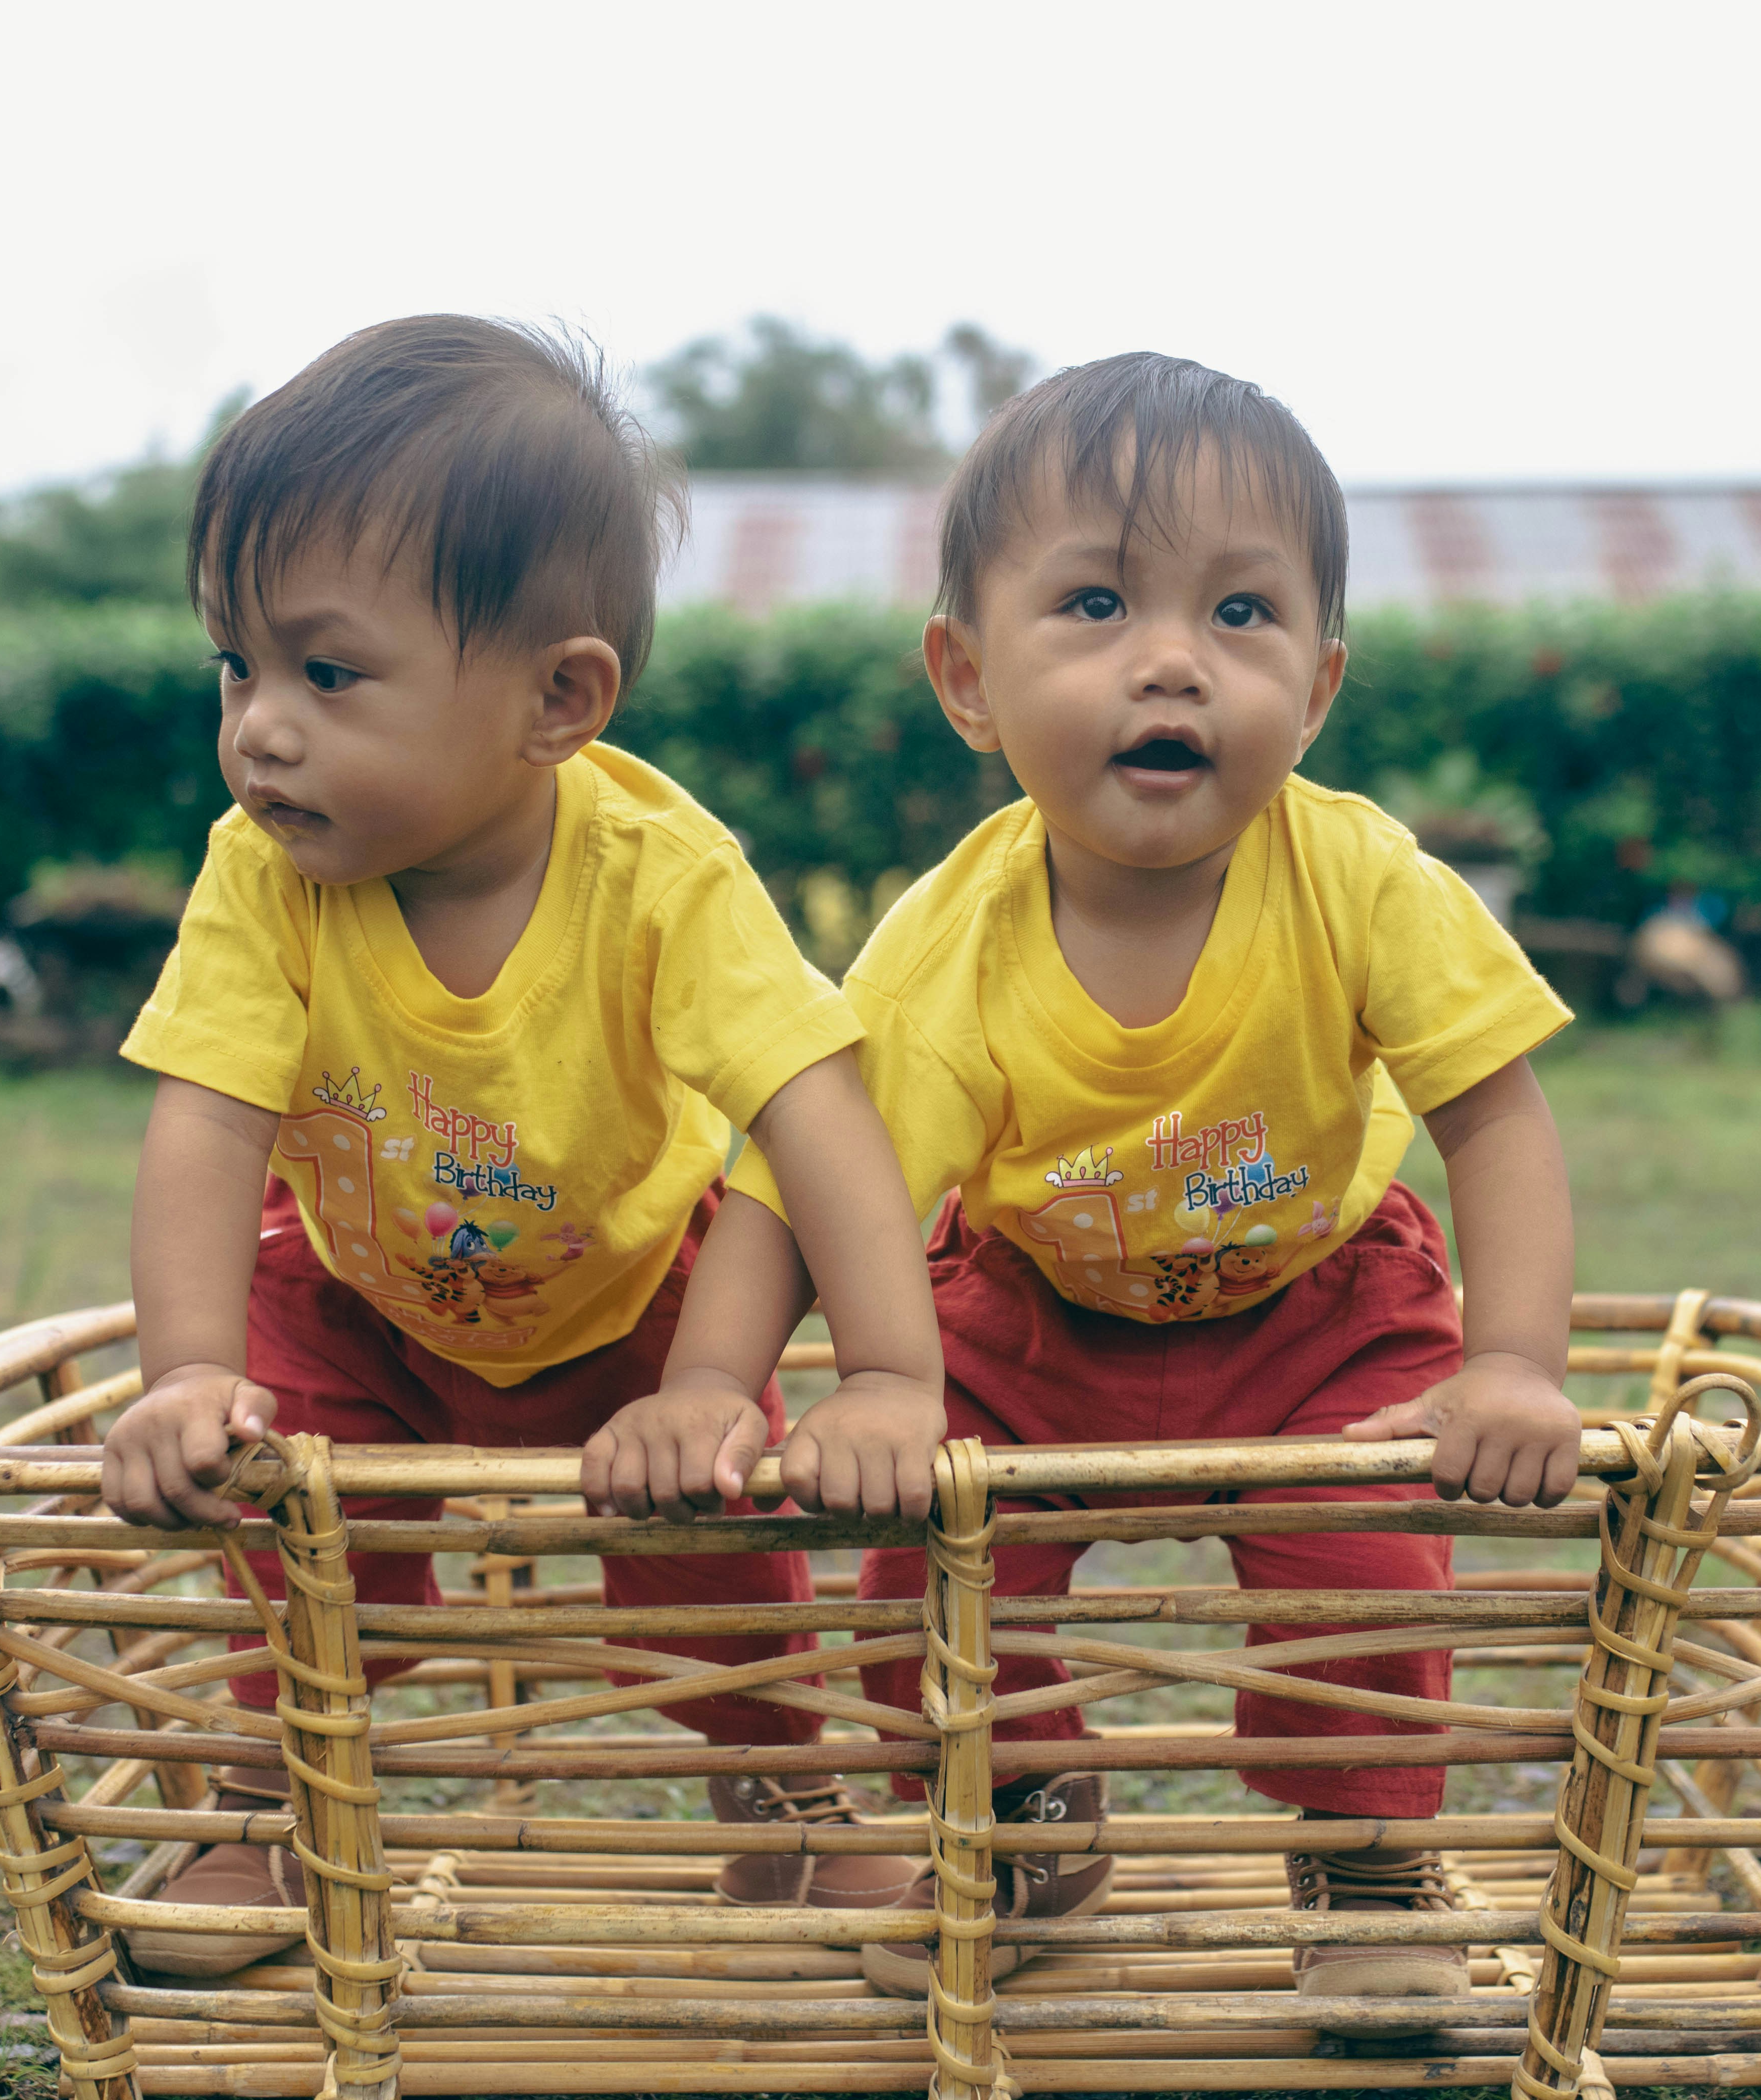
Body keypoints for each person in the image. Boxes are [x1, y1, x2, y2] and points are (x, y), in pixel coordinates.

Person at [611, 352, 1583, 2001]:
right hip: (1031, 1313)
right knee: (919, 1546)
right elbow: (804, 1168)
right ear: (968, 678)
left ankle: (1366, 1873)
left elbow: (1495, 1119)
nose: (1172, 664)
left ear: (1323, 685)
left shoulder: (1360, 882)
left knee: (1370, 1562)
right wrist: (721, 1378)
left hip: (1321, 1307)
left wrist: (1510, 1364)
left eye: (1243, 618)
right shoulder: (947, 944)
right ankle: (1023, 1818)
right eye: (1095, 605)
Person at [97, 316, 947, 1976]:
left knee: (723, 1571)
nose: (260, 726)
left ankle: (789, 1807)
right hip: (358, 1294)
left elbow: (811, 1111)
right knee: (297, 1544)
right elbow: (206, 1118)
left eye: (326, 674)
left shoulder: (659, 877)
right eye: (238, 665)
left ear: (559, 699)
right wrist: (189, 1374)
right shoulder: (261, 876)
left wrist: (891, 1377)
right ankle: (270, 1814)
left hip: (626, 1294)